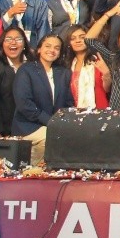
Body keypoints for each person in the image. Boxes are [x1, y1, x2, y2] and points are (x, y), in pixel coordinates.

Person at [12, 33, 74, 162]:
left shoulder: (64, 73)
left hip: (54, 125)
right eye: (48, 46)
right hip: (28, 126)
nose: (52, 50)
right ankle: (35, 170)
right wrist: (50, 121)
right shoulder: (26, 70)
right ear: (39, 49)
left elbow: (68, 103)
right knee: (51, 138)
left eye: (57, 48)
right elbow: (24, 103)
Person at [0, 26, 30, 139]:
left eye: (18, 39)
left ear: (24, 44)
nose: (13, 42)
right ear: (2, 44)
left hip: (29, 126)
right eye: (8, 39)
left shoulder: (32, 65)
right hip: (5, 129)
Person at [63, 24, 109, 109]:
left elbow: (108, 89)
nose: (78, 41)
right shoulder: (67, 66)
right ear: (69, 43)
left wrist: (106, 73)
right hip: (74, 112)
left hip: (99, 111)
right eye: (73, 38)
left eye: (82, 37)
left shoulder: (98, 61)